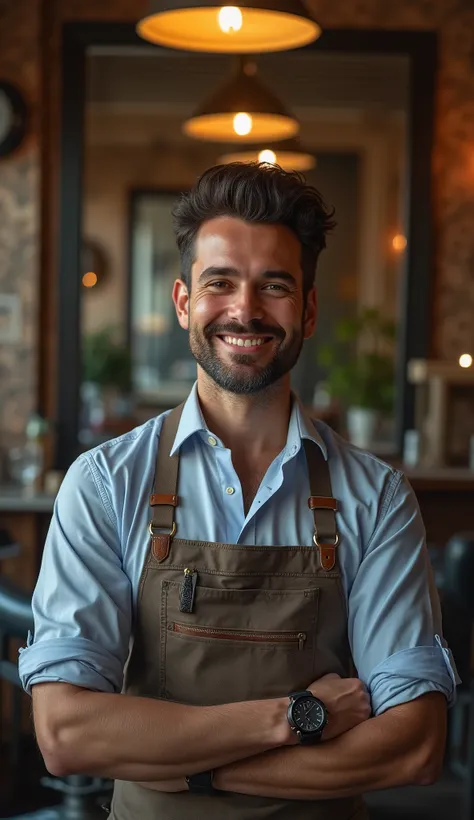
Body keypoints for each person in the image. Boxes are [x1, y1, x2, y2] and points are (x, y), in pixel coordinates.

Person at [19, 163, 458, 820]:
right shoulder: (108, 484)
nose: (245, 310)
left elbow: (413, 746)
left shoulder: (377, 497)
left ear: (307, 310)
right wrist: (295, 718)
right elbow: (65, 733)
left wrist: (189, 772)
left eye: (274, 286)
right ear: (182, 303)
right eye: (219, 282)